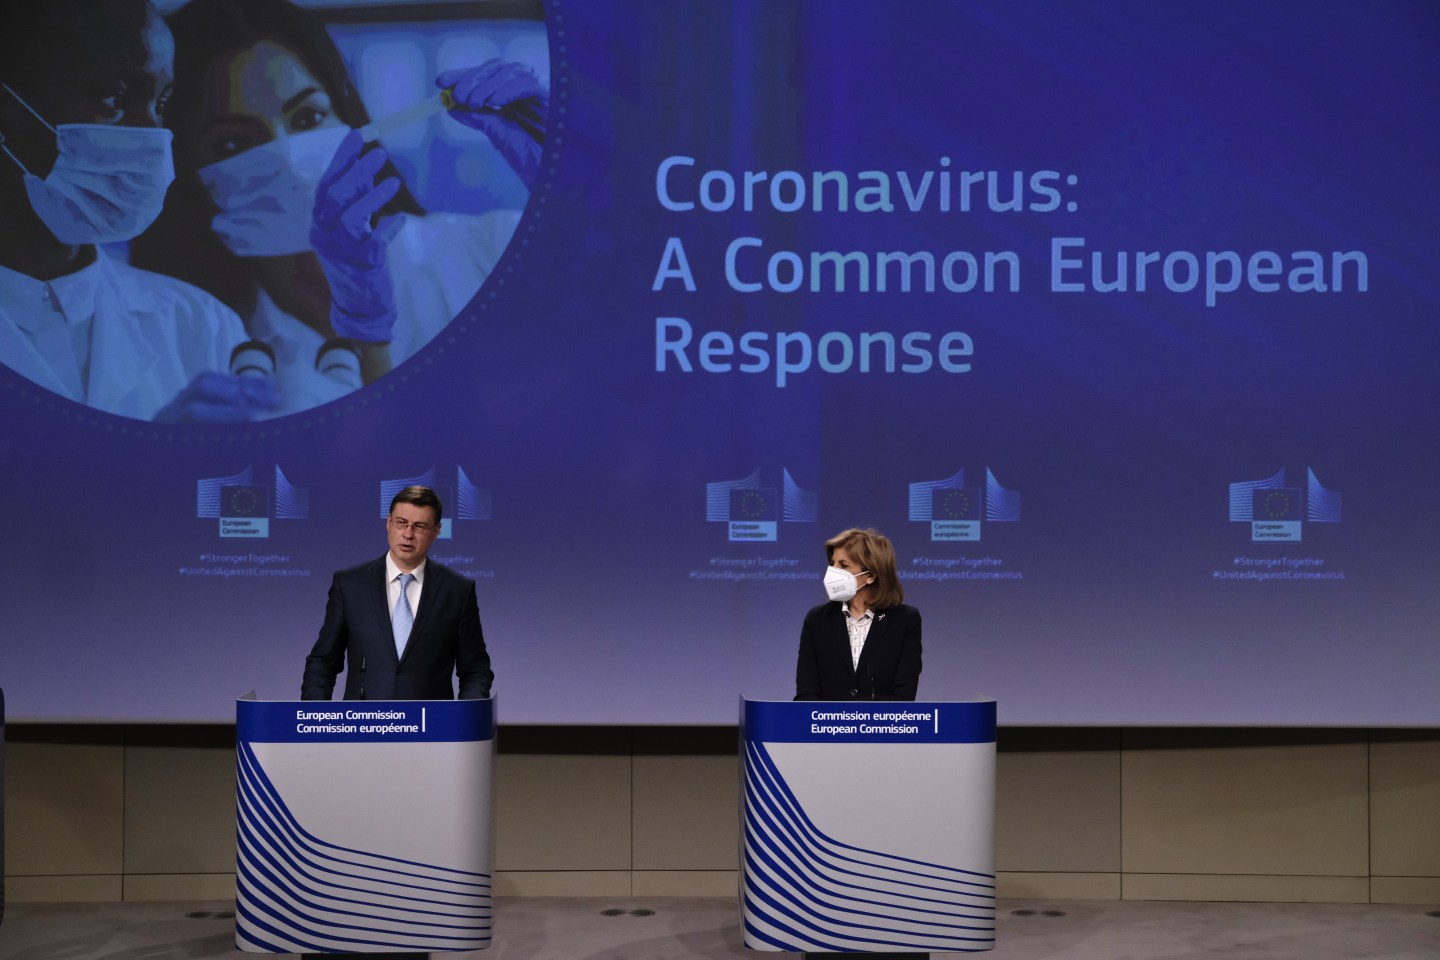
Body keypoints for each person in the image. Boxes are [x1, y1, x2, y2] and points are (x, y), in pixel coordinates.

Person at [132, 0, 544, 417]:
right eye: (233, 144)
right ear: (187, 173)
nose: (288, 162)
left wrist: (587, 191)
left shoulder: (492, 252)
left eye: (308, 118)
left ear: (349, 119)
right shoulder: (202, 348)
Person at [0, 0, 276, 422]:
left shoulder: (201, 325)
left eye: (161, 104)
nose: (153, 135)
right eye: (114, 98)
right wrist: (149, 463)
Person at [302, 485, 493, 701]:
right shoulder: (350, 584)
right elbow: (323, 661)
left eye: (419, 526)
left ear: (436, 531)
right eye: (401, 523)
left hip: (432, 728)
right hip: (364, 726)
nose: (408, 534)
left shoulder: (457, 590)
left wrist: (464, 722)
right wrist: (314, 717)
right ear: (388, 523)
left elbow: (475, 670)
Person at [795, 527, 922, 701]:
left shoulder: (905, 620)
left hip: (882, 726)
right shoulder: (817, 620)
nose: (833, 571)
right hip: (827, 726)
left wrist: (861, 721)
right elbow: (806, 693)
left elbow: (903, 695)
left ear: (870, 575)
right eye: (832, 564)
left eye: (843, 565)